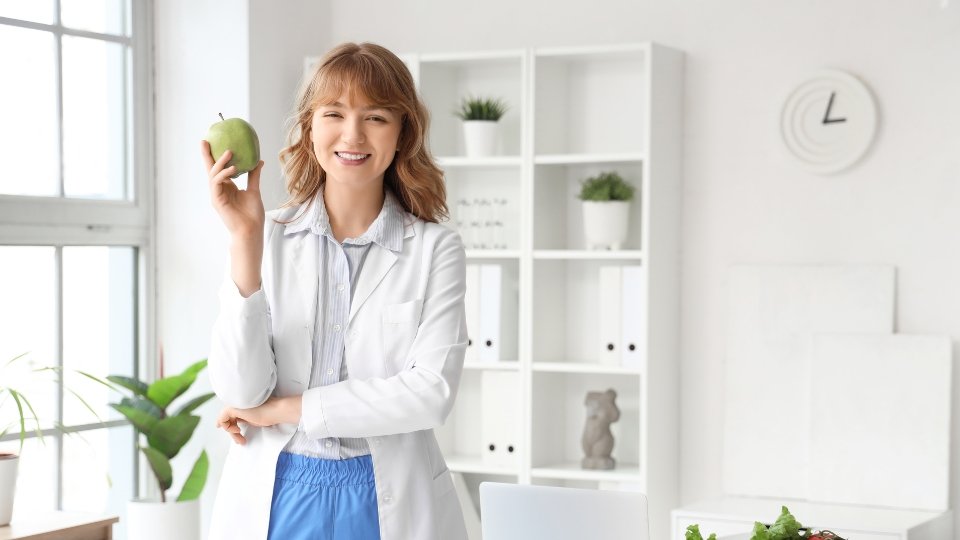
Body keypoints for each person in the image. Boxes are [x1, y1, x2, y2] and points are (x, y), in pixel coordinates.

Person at [201, 42, 469, 540]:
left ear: (401, 133)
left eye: (376, 117)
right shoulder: (267, 233)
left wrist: (284, 409)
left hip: (388, 495)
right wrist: (245, 240)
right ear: (310, 127)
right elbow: (241, 392)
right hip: (276, 493)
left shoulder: (436, 249)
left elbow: (430, 393)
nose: (352, 135)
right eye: (334, 113)